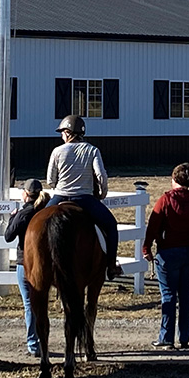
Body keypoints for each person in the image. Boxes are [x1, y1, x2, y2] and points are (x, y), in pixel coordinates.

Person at [46, 115, 123, 280]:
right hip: (85, 198)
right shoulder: (92, 150)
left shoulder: (57, 151)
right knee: (110, 225)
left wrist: (58, 186)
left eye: (62, 132)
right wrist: (102, 193)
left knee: (37, 222)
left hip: (60, 196)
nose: (61, 136)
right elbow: (101, 175)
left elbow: (50, 180)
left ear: (68, 132)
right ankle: (111, 264)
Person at [142, 163, 189, 349]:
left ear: (175, 180)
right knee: (186, 295)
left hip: (168, 252)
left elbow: (153, 226)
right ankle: (185, 337)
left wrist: (147, 248)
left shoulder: (165, 200)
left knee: (168, 295)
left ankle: (166, 337)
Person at [4, 179, 48, 357]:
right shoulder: (45, 211)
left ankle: (33, 343)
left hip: (26, 262)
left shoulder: (24, 213)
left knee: (29, 304)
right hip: (46, 264)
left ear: (26, 194)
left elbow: (8, 236)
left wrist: (13, 217)